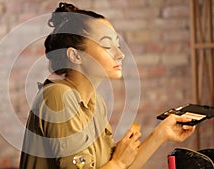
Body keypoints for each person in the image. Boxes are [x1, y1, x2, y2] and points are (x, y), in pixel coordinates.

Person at [19, 2, 195, 169]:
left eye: (117, 45)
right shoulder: (57, 97)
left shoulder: (95, 103)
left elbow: (121, 165)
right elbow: (118, 165)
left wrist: (161, 134)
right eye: (107, 45)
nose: (120, 55)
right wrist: (118, 162)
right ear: (76, 56)